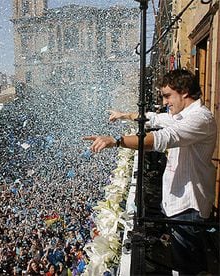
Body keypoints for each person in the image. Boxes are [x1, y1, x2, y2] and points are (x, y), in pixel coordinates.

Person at [84, 69, 217, 274]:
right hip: (178, 207)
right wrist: (125, 115)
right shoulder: (183, 116)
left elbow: (162, 137)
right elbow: (155, 119)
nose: (165, 102)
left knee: (191, 269)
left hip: (189, 209)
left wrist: (117, 141)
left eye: (167, 96)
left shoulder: (200, 118)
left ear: (184, 92)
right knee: (183, 266)